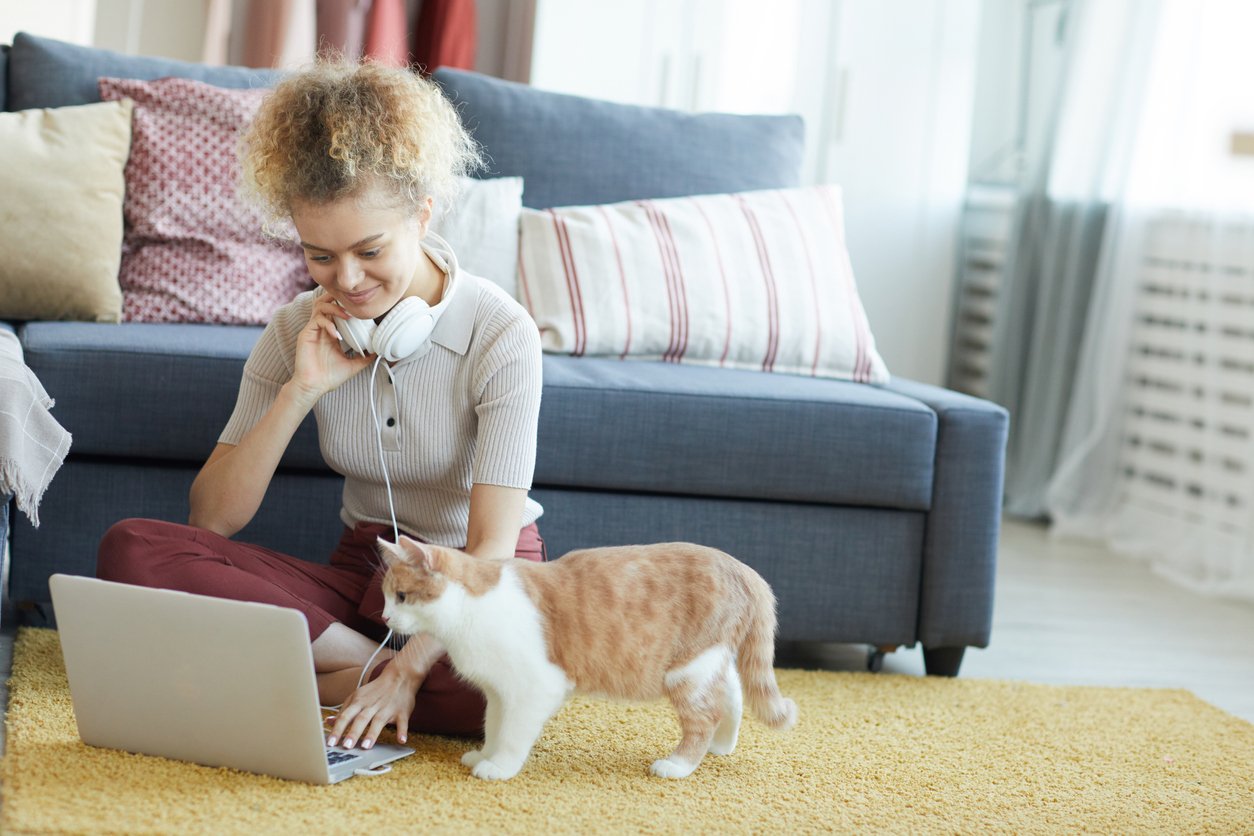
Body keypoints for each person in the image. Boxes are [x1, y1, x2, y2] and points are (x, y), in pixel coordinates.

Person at [96, 60, 545, 753]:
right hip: (369, 574)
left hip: (476, 581)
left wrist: (412, 666)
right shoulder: (295, 329)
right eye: (320, 256)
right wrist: (300, 389)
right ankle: (354, 674)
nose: (349, 280)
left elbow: (490, 552)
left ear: (423, 213)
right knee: (132, 548)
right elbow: (211, 519)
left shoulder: (501, 332)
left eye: (370, 250)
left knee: (490, 678)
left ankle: (323, 671)